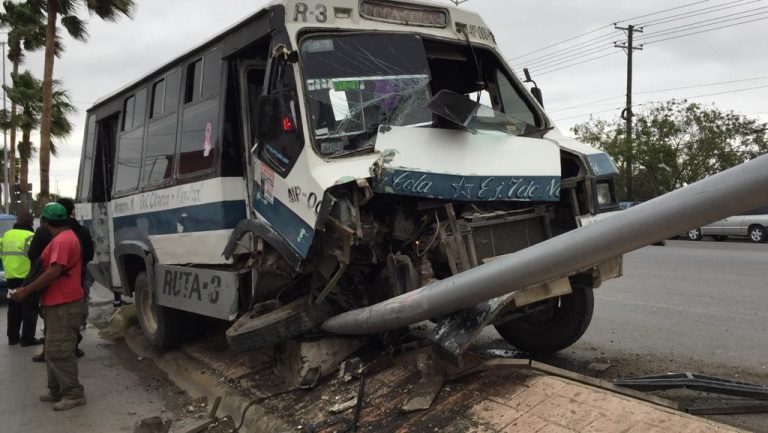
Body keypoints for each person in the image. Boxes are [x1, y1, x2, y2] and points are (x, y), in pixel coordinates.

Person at [10, 202, 87, 411]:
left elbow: (54, 271)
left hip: (65, 303)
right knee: (53, 349)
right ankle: (56, 390)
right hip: (58, 303)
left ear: (44, 222)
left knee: (59, 350)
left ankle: (73, 393)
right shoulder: (65, 237)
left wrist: (26, 291)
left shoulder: (62, 241)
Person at [30, 198, 92, 362]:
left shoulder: (55, 237)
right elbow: (89, 255)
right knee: (69, 323)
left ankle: (50, 353)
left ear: (45, 220)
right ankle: (73, 348)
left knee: (55, 329)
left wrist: (28, 288)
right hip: (76, 283)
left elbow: (38, 259)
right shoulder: (79, 231)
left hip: (54, 290)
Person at [2, 212, 40, 346]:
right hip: (27, 278)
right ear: (31, 224)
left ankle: (13, 337)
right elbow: (36, 257)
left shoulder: (7, 235)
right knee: (30, 307)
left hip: (11, 277)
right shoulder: (30, 236)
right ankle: (27, 338)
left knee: (13, 307)